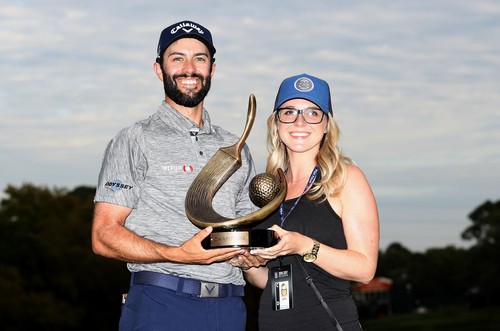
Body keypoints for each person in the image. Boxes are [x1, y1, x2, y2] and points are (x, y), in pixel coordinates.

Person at [91, 20, 256, 331]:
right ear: (159, 69)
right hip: (162, 304)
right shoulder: (133, 139)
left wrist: (252, 254)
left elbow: (243, 233)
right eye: (177, 58)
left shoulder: (237, 148)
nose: (189, 68)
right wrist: (177, 254)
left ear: (212, 69)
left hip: (230, 307)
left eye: (200, 58)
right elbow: (103, 236)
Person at [230, 73, 379, 330]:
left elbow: (364, 269)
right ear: (276, 124)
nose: (300, 122)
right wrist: (249, 265)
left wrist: (302, 245)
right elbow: (277, 281)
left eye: (312, 113)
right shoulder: (269, 188)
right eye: (289, 112)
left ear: (326, 125)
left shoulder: (345, 178)